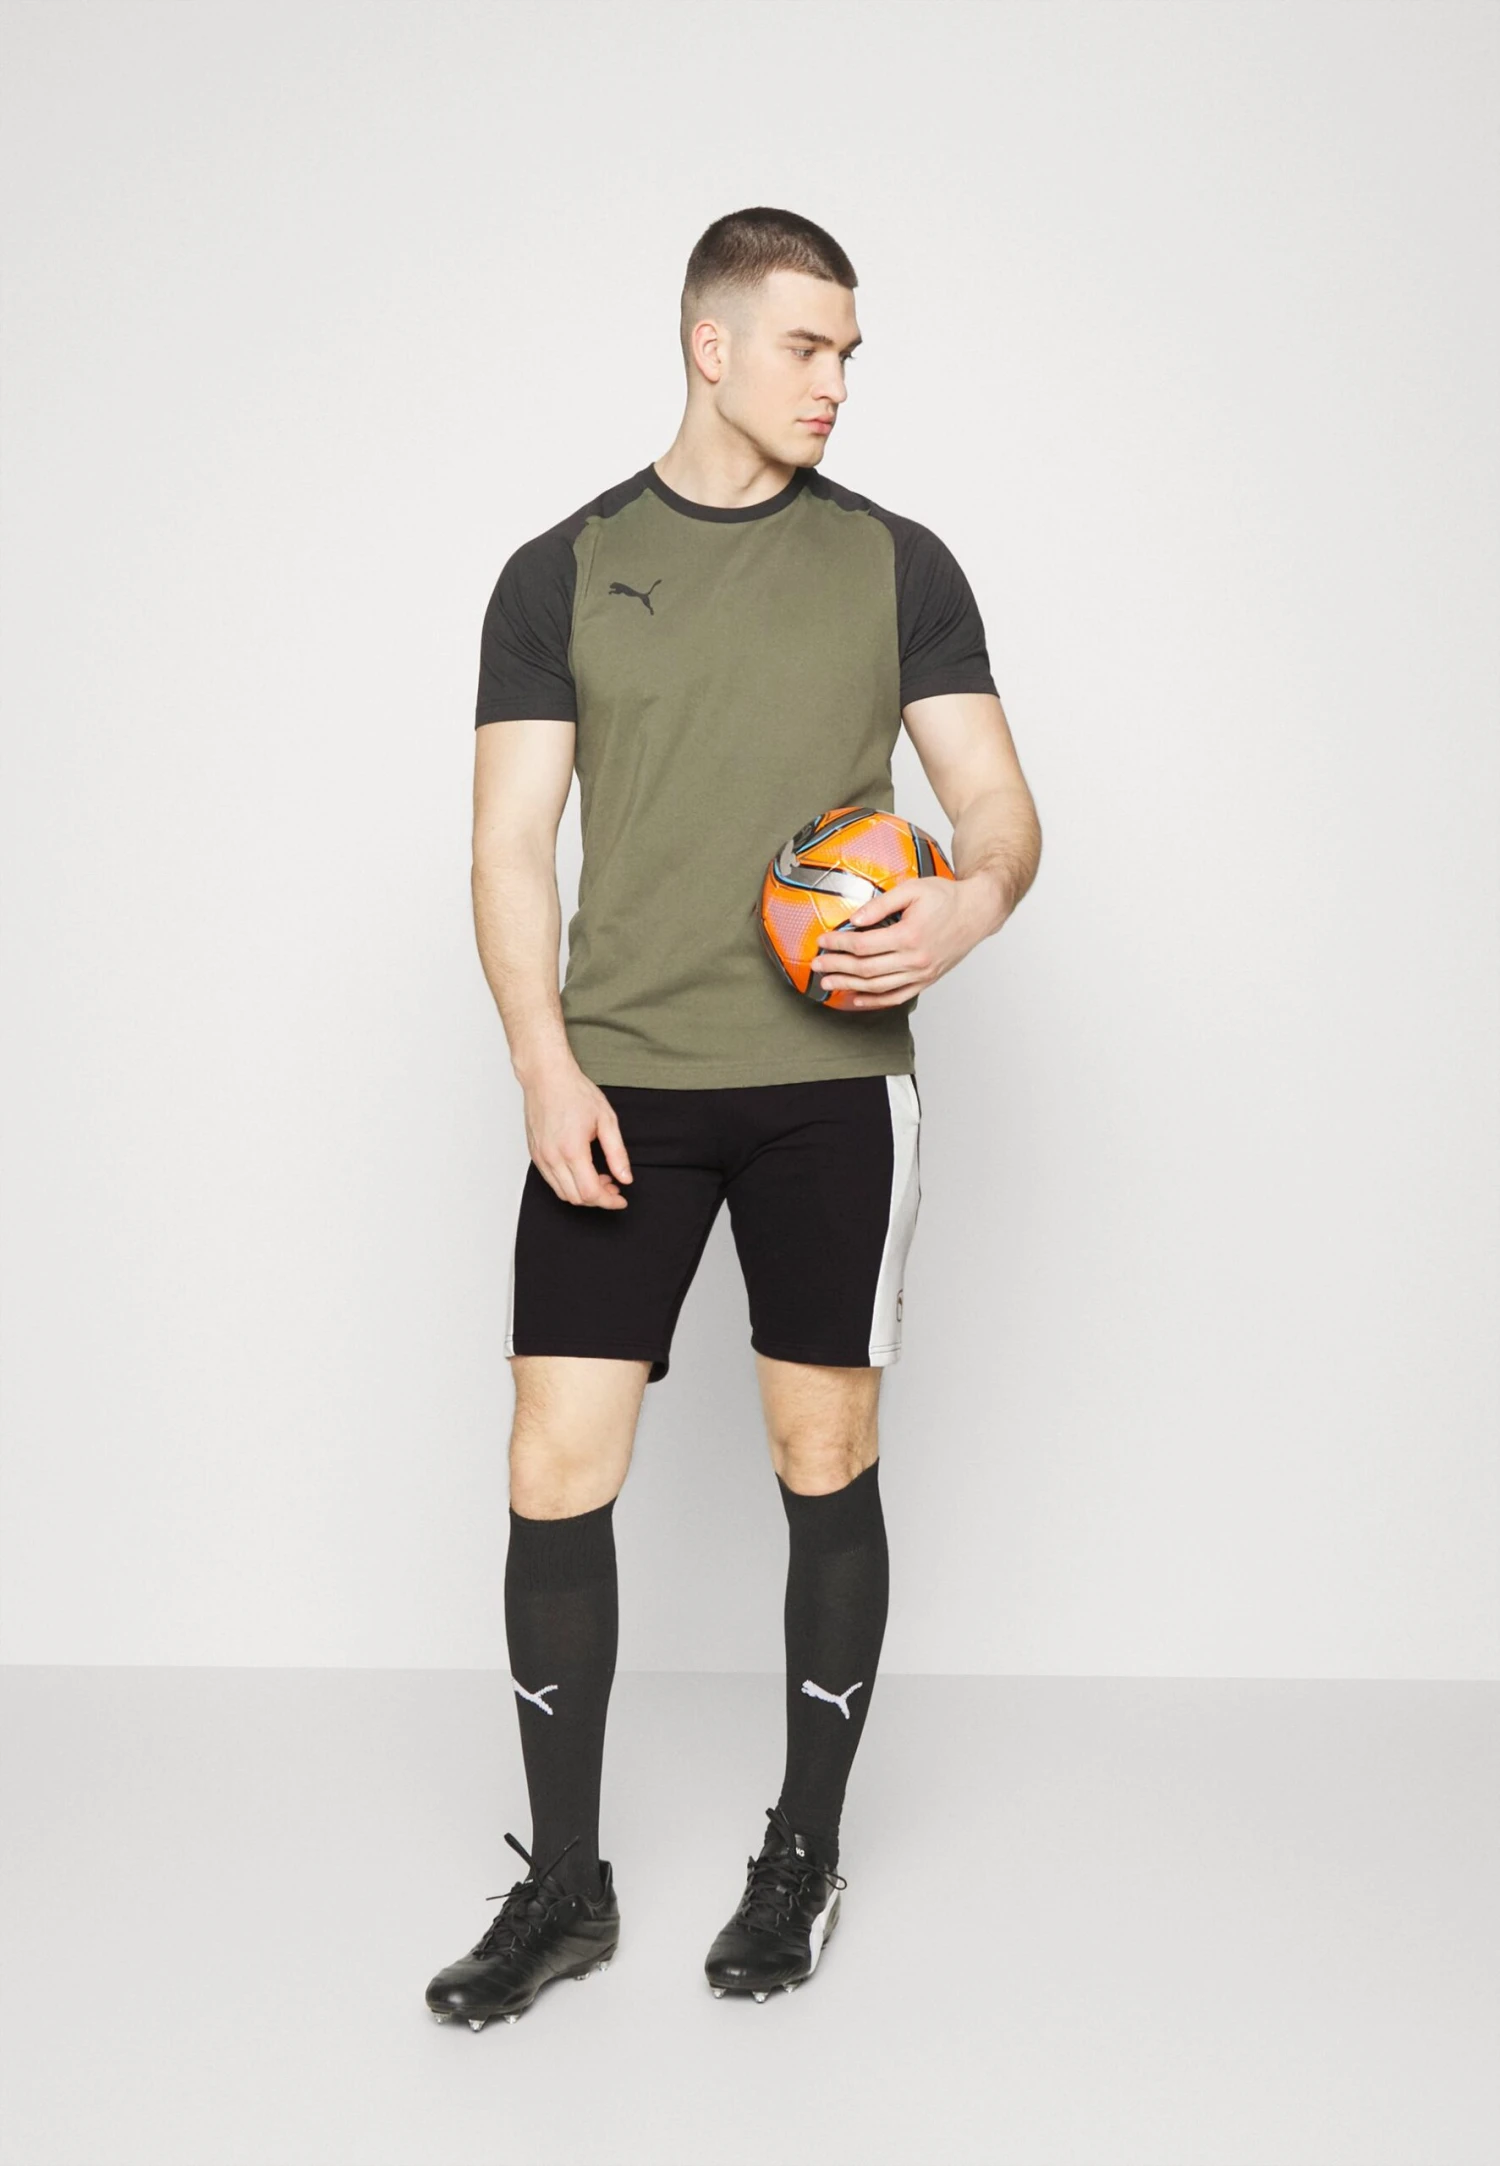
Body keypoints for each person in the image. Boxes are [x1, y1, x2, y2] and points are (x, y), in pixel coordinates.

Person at [425, 206, 1041, 2031]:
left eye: (850, 352)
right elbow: (508, 845)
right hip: (618, 1081)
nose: (836, 381)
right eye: (806, 346)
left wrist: (969, 903)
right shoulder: (562, 570)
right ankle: (563, 1887)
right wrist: (543, 1062)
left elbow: (999, 804)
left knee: (821, 1451)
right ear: (712, 345)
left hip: (831, 1091)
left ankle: (803, 1857)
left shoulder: (898, 564)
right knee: (555, 1464)